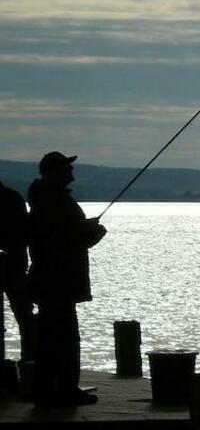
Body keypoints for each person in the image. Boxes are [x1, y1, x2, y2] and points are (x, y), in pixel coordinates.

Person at [27, 152, 106, 406]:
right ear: (55, 172)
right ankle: (65, 390)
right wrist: (92, 234)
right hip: (58, 282)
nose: (71, 173)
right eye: (67, 169)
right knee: (65, 339)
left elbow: (64, 236)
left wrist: (86, 232)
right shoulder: (54, 202)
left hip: (51, 281)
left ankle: (47, 390)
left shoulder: (45, 199)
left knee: (50, 339)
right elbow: (63, 242)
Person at [1, 179, 36, 364]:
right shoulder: (14, 197)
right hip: (16, 266)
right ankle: (30, 360)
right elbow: (25, 233)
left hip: (14, 267)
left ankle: (30, 359)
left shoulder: (12, 198)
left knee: (24, 316)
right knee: (25, 316)